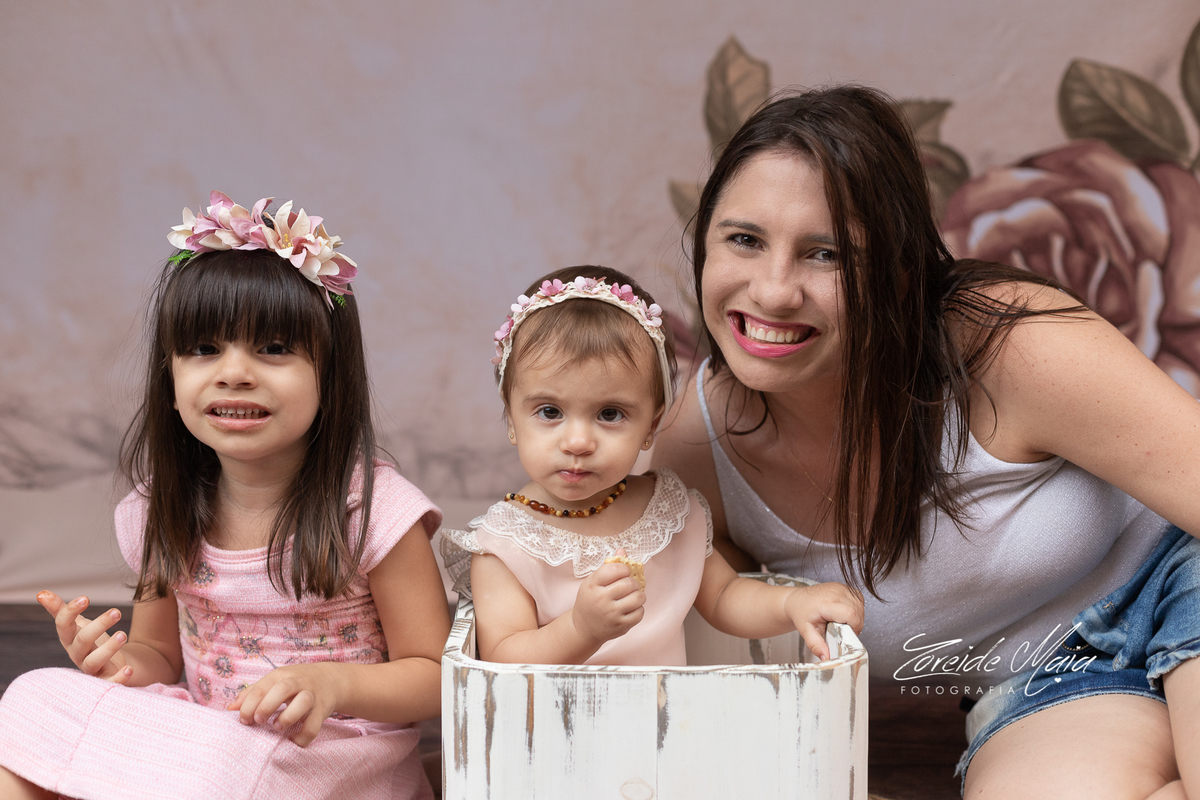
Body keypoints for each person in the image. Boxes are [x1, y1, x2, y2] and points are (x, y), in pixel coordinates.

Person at [651, 85, 1200, 796]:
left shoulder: (1006, 344)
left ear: (902, 275)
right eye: (745, 240)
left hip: (1180, 574)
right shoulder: (695, 454)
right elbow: (687, 669)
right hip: (1045, 681)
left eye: (826, 254)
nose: (774, 290)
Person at [0, 192, 451, 800]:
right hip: (211, 748)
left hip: (327, 758)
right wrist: (116, 664)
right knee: (34, 698)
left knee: (219, 762)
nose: (234, 373)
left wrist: (334, 685)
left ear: (331, 375)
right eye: (204, 349)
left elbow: (436, 675)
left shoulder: (373, 512)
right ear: (170, 377)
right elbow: (159, 654)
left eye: (273, 349)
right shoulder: (165, 507)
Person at [441, 266, 863, 667]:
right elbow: (502, 658)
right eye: (549, 411)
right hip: (560, 719)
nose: (578, 442)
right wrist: (581, 629)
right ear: (511, 420)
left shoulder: (667, 512)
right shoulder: (505, 545)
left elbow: (725, 596)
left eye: (610, 414)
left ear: (651, 426)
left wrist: (792, 603)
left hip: (665, 714)